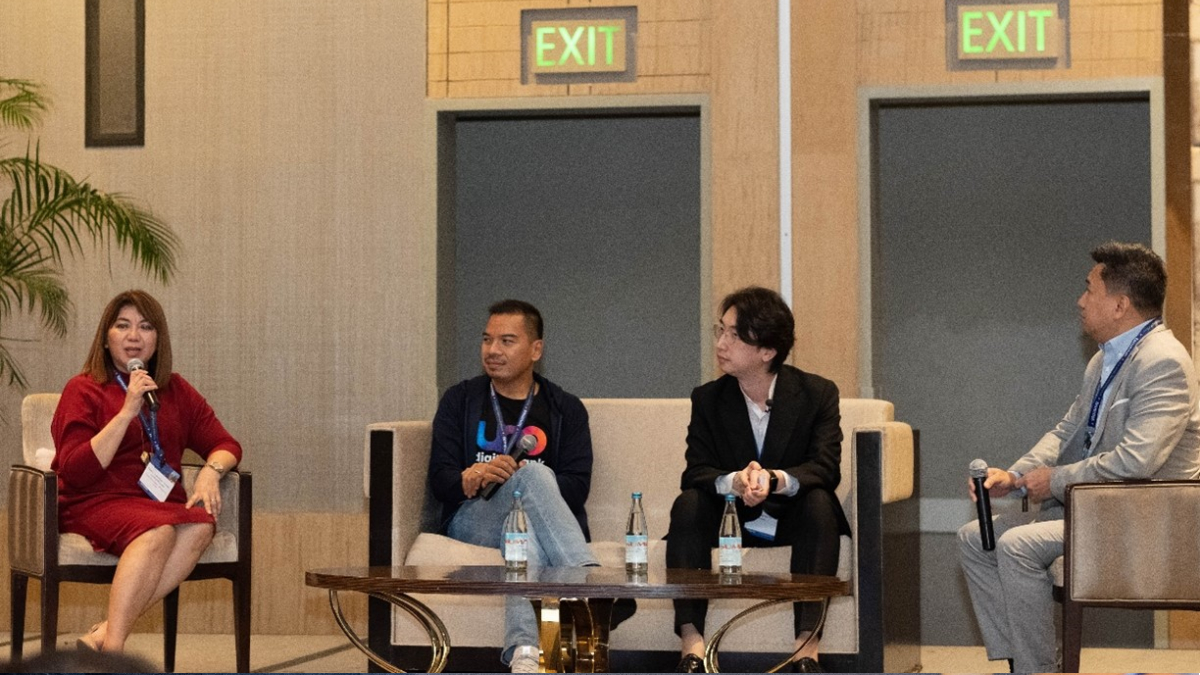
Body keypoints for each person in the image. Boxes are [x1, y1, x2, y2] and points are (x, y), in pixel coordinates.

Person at [958, 241, 1200, 673]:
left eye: (1090, 290)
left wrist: (1051, 481)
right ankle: (1024, 664)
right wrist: (1014, 475)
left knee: (1015, 545)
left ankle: (1037, 672)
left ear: (1120, 304)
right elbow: (1067, 431)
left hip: (1150, 517)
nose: (1080, 300)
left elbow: (1137, 462)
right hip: (1100, 509)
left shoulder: (1163, 361)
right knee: (974, 539)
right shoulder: (1105, 361)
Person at [427, 299, 632, 673]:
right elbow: (440, 481)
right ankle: (590, 586)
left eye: (506, 341)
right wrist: (469, 477)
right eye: (487, 340)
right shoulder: (460, 400)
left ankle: (526, 651)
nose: (492, 350)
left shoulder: (565, 408)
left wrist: (524, 479)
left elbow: (577, 488)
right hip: (474, 519)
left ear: (536, 349)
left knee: (522, 529)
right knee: (534, 479)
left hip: (523, 524)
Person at [666, 286, 849, 674]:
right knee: (688, 504)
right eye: (721, 331)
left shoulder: (817, 394)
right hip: (727, 519)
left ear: (767, 351)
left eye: (734, 335)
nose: (721, 343)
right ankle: (692, 647)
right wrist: (733, 481)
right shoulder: (708, 399)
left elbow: (825, 467)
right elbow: (695, 471)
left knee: (819, 503)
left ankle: (805, 652)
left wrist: (774, 479)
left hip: (791, 517)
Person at [51, 290, 242, 655]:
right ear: (106, 339)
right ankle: (115, 651)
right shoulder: (83, 389)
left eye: (145, 327)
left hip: (152, 505)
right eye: (123, 326)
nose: (134, 336)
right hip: (93, 501)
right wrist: (125, 412)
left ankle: (106, 633)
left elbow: (227, 444)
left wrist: (210, 472)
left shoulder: (175, 390)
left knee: (201, 523)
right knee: (159, 532)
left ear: (158, 340)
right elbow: (75, 470)